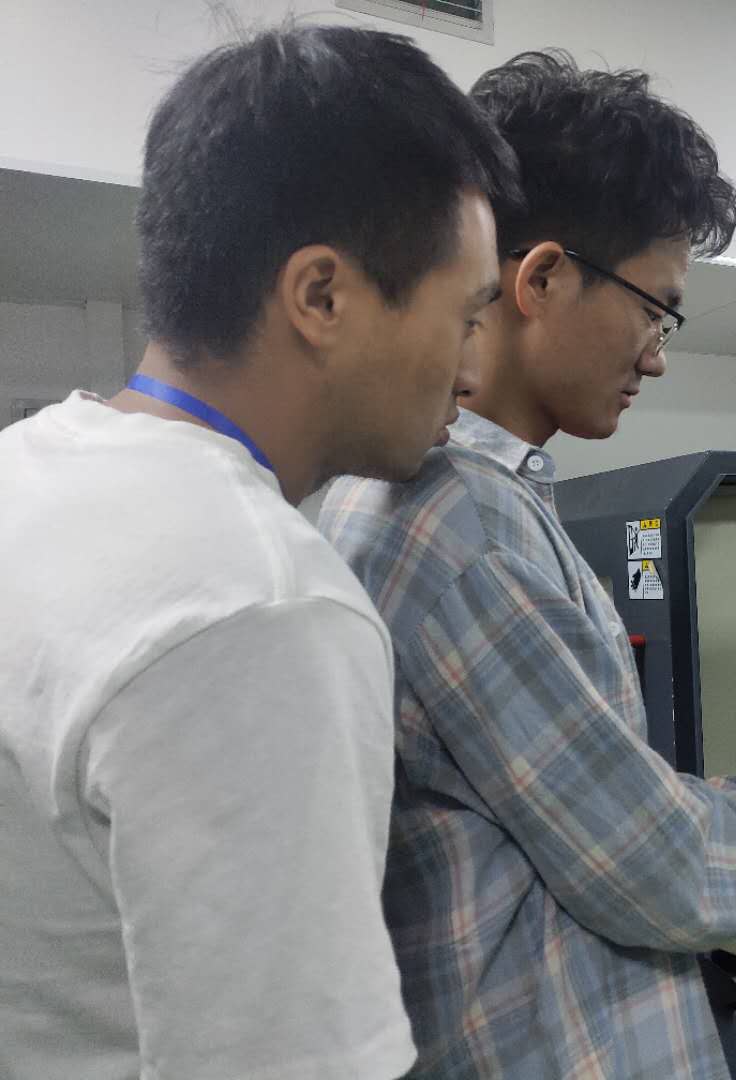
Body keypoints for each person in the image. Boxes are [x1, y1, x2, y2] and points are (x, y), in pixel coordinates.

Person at [319, 50, 736, 1079]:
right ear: (542, 278)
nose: (658, 353)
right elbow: (670, 876)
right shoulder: (469, 530)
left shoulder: (393, 495)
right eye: (655, 307)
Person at [0, 25, 520, 1080]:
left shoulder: (27, 469)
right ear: (320, 296)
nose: (471, 371)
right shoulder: (263, 606)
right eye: (465, 315)